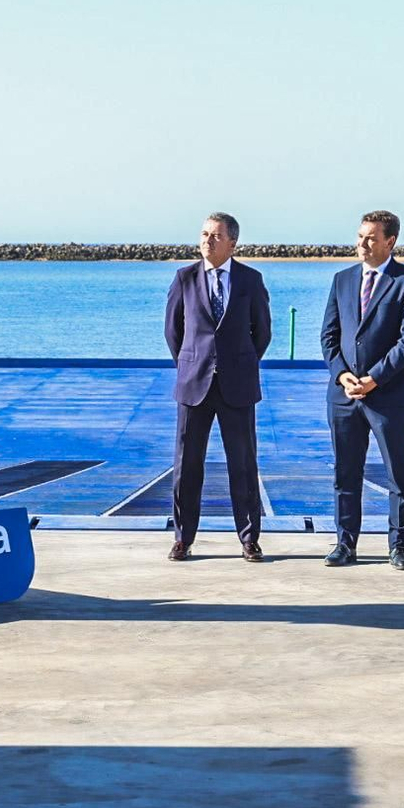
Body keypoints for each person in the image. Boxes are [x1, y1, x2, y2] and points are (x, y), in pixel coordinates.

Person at [320, 210, 404, 569]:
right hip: (345, 395)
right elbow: (329, 336)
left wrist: (374, 378)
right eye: (360, 236)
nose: (362, 244)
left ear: (390, 241)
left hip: (389, 395)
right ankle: (344, 543)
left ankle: (399, 546)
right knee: (345, 473)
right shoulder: (342, 280)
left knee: (399, 473)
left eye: (370, 238)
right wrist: (342, 375)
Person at [164, 212, 273, 562]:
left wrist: (238, 363)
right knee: (187, 466)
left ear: (232, 243)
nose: (207, 240)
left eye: (215, 235)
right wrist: (192, 362)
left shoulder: (250, 280)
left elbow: (262, 332)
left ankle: (249, 539)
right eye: (204, 234)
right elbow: (173, 332)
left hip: (237, 386)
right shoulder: (184, 278)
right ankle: (183, 538)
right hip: (193, 385)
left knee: (243, 465)